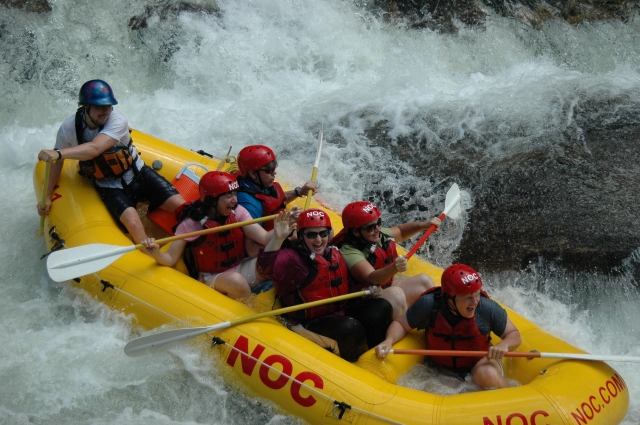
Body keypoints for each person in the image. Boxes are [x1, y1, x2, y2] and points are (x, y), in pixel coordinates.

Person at [37, 80, 185, 244]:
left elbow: (95, 149)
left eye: (108, 106)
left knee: (184, 208)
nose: (105, 111)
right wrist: (48, 195)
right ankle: (151, 255)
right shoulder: (68, 129)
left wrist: (57, 153)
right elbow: (57, 163)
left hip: (139, 175)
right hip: (109, 186)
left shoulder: (118, 120)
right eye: (100, 107)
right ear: (86, 106)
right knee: (133, 224)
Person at [257, 208, 393, 362]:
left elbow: (344, 283)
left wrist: (365, 290)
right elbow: (264, 270)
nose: (318, 240)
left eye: (323, 234)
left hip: (337, 312)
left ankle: (372, 358)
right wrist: (277, 239)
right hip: (307, 322)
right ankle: (354, 364)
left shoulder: (332, 252)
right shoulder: (291, 258)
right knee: (350, 328)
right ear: (301, 236)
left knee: (381, 307)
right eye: (311, 235)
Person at [141, 171, 298, 300]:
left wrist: (284, 227)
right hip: (211, 278)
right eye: (229, 196)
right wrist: (155, 253)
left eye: (235, 194)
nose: (235, 200)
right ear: (212, 200)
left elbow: (263, 237)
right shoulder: (192, 224)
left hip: (240, 266)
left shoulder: (238, 212)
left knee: (282, 260)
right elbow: (169, 259)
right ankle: (253, 313)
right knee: (236, 281)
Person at [375, 264, 522, 390]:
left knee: (486, 373)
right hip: (439, 369)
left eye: (476, 295)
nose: (475, 302)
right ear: (450, 300)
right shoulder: (429, 305)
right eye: (467, 298)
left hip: (480, 363)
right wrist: (388, 341)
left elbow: (514, 334)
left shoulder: (486, 308)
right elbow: (401, 324)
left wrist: (504, 344)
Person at [331, 201, 441, 318]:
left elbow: (401, 231)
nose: (377, 229)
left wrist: (423, 226)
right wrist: (394, 267)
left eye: (378, 223)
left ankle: (432, 321)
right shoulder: (348, 250)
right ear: (356, 232)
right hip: (363, 302)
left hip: (383, 292)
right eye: (370, 227)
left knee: (424, 281)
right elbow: (372, 277)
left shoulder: (375, 234)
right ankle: (400, 327)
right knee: (396, 294)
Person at [235, 144, 317, 231]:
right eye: (269, 170)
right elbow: (255, 242)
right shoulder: (249, 205)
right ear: (253, 174)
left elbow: (274, 200)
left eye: (274, 168)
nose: (274, 173)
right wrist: (289, 223)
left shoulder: (259, 183)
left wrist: (299, 192)